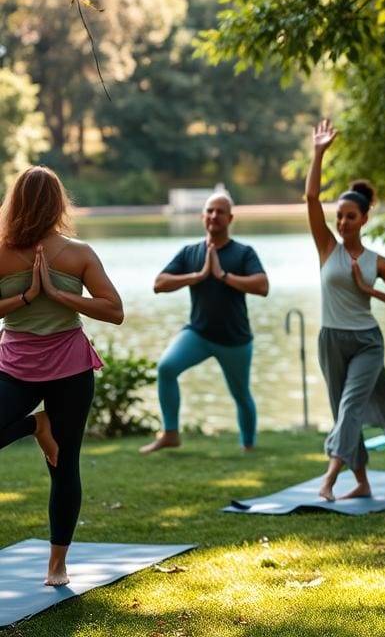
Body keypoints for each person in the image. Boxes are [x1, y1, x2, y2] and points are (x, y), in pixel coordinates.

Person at [0, 166, 123, 585]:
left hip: (69, 370)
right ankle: (37, 424)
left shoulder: (79, 253)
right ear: (58, 203)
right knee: (63, 463)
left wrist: (58, 294)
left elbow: (114, 310)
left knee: (65, 466)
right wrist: (27, 296)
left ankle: (57, 565)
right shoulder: (0, 252)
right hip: (16, 368)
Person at [307, 118, 385, 501]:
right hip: (331, 340)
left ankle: (329, 479)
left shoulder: (377, 262)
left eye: (350, 217)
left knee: (350, 407)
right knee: (382, 401)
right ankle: (372, 475)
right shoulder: (327, 247)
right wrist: (319, 152)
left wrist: (369, 290)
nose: (342, 222)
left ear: (364, 219)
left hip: (367, 341)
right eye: (338, 216)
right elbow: (310, 200)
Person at [140, 191, 269, 454]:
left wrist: (223, 276)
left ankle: (248, 445)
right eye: (209, 211)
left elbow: (262, 286)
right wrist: (197, 276)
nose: (214, 216)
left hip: (234, 338)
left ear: (230, 218)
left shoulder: (243, 253)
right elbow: (159, 284)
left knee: (241, 394)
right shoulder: (190, 252)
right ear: (203, 216)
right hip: (198, 334)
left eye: (220, 211)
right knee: (166, 368)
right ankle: (171, 434)